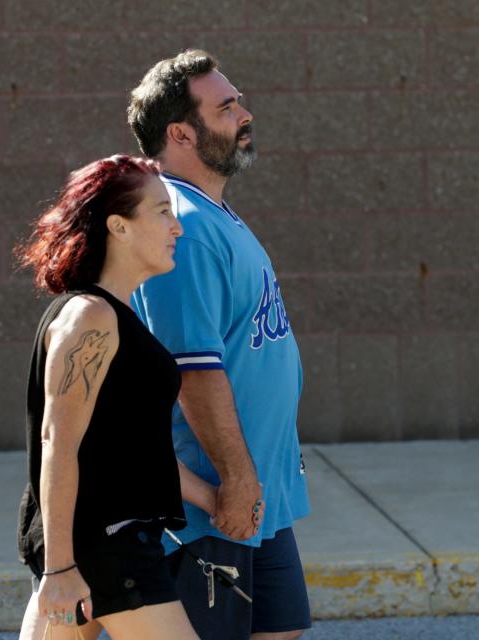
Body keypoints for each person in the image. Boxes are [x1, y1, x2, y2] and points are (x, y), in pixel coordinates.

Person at [127, 50, 312, 640]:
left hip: (258, 498)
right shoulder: (182, 227)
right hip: (212, 508)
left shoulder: (215, 215)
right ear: (181, 133)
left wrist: (253, 484)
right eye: (227, 107)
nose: (245, 115)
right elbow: (192, 372)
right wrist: (235, 482)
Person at [15, 154, 226, 640]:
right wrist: (60, 569)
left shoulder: (117, 317)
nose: (177, 227)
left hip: (98, 547)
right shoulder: (91, 317)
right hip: (105, 549)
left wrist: (212, 498)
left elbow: (133, 449)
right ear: (119, 227)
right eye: (162, 212)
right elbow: (57, 444)